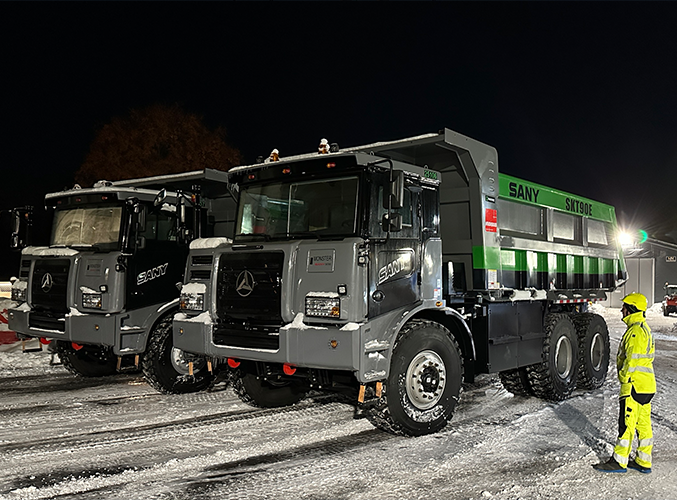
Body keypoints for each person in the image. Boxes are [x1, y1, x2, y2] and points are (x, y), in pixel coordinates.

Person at [594, 293, 656, 473]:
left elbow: (631, 361)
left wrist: (624, 378)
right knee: (643, 424)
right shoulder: (644, 328)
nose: (622, 310)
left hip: (634, 385)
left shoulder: (635, 332)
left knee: (627, 423)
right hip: (646, 385)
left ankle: (619, 461)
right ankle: (644, 460)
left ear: (632, 309)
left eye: (625, 307)